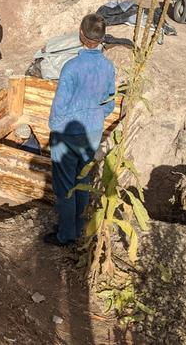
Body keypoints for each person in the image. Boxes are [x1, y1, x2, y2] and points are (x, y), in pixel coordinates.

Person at [45, 13, 116, 247]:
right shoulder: (107, 66)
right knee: (83, 180)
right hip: (93, 132)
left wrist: (54, 130)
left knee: (65, 187)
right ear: (102, 38)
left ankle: (66, 235)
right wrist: (96, 118)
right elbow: (110, 103)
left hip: (67, 134)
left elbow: (59, 106)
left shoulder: (71, 67)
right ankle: (76, 228)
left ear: (80, 34)